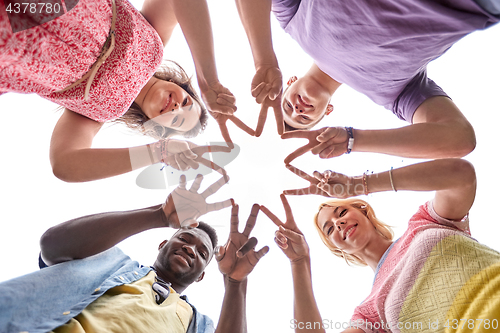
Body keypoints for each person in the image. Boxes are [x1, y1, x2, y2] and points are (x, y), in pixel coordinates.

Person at [0, 0, 253, 183]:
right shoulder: (156, 37)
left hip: (14, 51)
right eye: (187, 101)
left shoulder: (99, 114)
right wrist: (208, 79)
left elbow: (64, 164)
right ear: (181, 85)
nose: (177, 107)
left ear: (156, 126)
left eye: (176, 119)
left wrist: (159, 152)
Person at [235, 0, 500, 162]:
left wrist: (264, 61)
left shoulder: (293, 19)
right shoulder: (393, 95)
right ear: (328, 111)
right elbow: (460, 139)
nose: (298, 109)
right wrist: (352, 140)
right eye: (303, 118)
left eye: (287, 107)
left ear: (290, 81)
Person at [0, 174, 268, 333]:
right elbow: (52, 245)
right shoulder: (111, 261)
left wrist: (235, 284)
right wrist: (159, 215)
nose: (190, 247)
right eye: (185, 238)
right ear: (162, 245)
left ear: (201, 277)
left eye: (201, 252)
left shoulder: (196, 323)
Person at [261, 159, 500, 332]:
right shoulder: (369, 313)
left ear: (364, 212)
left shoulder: (423, 223)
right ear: (337, 249)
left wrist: (359, 184)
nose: (339, 222)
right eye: (330, 229)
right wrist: (299, 262)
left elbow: (461, 175)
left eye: (342, 211)